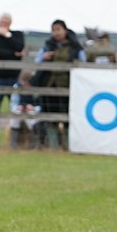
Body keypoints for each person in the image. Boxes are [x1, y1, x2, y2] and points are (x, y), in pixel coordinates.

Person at [34, 19, 85, 150]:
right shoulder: (47, 45)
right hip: (49, 85)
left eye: (59, 29)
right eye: (54, 30)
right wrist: (44, 57)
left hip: (68, 86)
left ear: (65, 30)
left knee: (68, 117)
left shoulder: (75, 47)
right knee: (50, 119)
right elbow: (37, 61)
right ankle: (53, 146)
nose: (56, 33)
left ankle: (68, 145)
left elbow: (82, 62)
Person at [0, 13, 26, 146]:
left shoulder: (17, 35)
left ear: (10, 23)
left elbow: (19, 46)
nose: (3, 24)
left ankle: (18, 140)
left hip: (14, 78)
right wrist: (13, 54)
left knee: (17, 108)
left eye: (6, 22)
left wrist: (7, 36)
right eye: (2, 21)